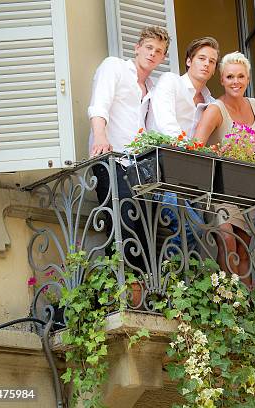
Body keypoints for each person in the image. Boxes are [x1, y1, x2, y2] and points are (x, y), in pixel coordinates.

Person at [87, 26, 170, 266]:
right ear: (137, 48)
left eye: (159, 51)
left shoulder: (153, 89)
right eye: (148, 48)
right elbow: (99, 104)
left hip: (141, 167)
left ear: (163, 57)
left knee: (146, 233)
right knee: (121, 226)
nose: (152, 54)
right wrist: (100, 136)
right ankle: (125, 288)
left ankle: (143, 291)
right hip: (112, 159)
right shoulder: (114, 67)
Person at [193, 52, 255, 285]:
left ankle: (244, 307)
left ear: (247, 79)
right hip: (220, 188)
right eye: (230, 76)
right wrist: (218, 154)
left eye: (241, 76)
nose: (236, 81)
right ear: (222, 80)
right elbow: (196, 146)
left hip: (247, 189)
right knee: (228, 240)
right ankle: (228, 298)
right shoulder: (215, 109)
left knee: (244, 248)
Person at [148, 37, 220, 253]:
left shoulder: (211, 102)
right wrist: (190, 150)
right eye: (201, 58)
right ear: (189, 61)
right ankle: (172, 279)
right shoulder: (171, 82)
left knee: (195, 243)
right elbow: (165, 122)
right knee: (192, 228)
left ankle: (179, 281)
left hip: (191, 181)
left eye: (212, 61)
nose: (206, 64)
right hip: (160, 172)